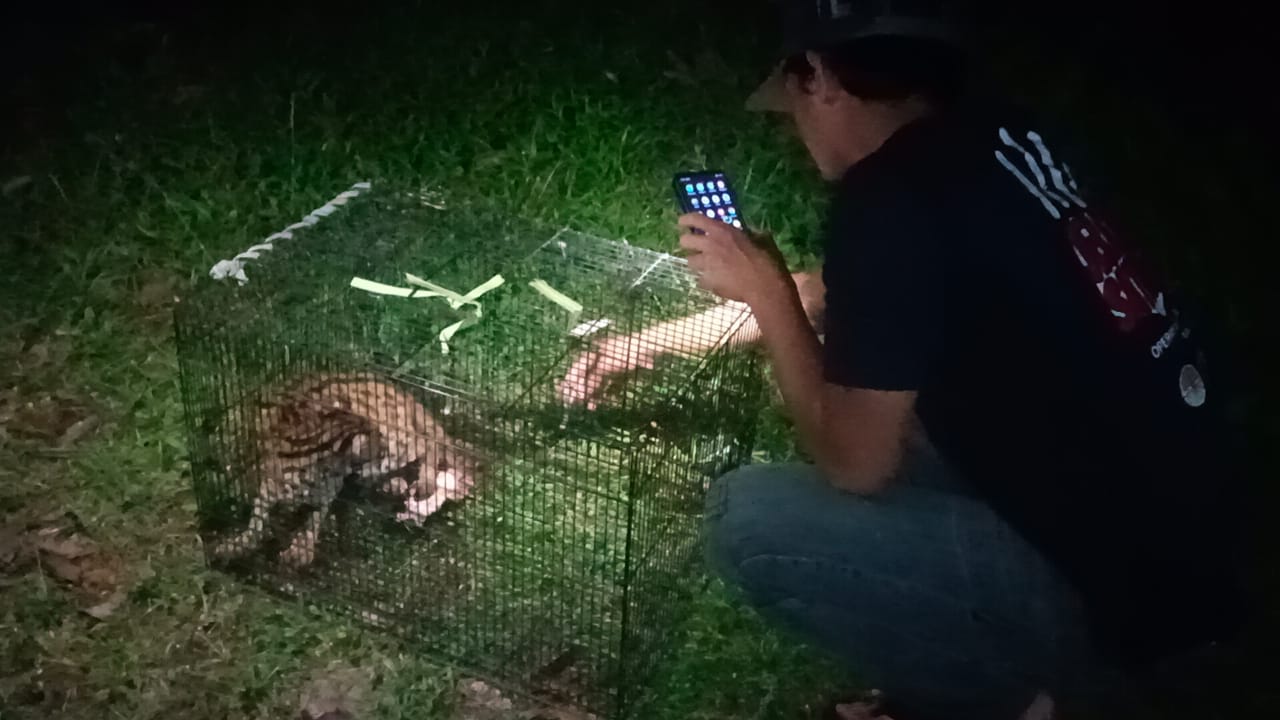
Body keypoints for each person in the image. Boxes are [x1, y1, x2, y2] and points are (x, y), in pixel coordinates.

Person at [558, 1, 1247, 718]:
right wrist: (646, 345)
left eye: (792, 102)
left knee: (749, 518)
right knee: (867, 386)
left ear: (820, 76)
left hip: (1122, 596)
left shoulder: (887, 197)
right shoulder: (997, 135)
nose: (794, 126)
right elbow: (838, 295)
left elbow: (854, 466)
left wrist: (765, 297)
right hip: (1187, 530)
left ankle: (1028, 697)